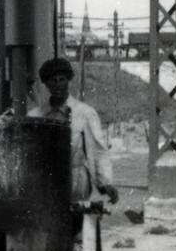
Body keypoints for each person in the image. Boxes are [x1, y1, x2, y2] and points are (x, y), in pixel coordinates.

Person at [31, 57, 119, 205]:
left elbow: (98, 150)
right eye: (53, 80)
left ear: (68, 81)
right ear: (46, 84)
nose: (58, 85)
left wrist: (105, 183)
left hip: (76, 181)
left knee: (76, 223)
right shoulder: (35, 116)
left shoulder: (85, 113)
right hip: (46, 181)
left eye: (62, 79)